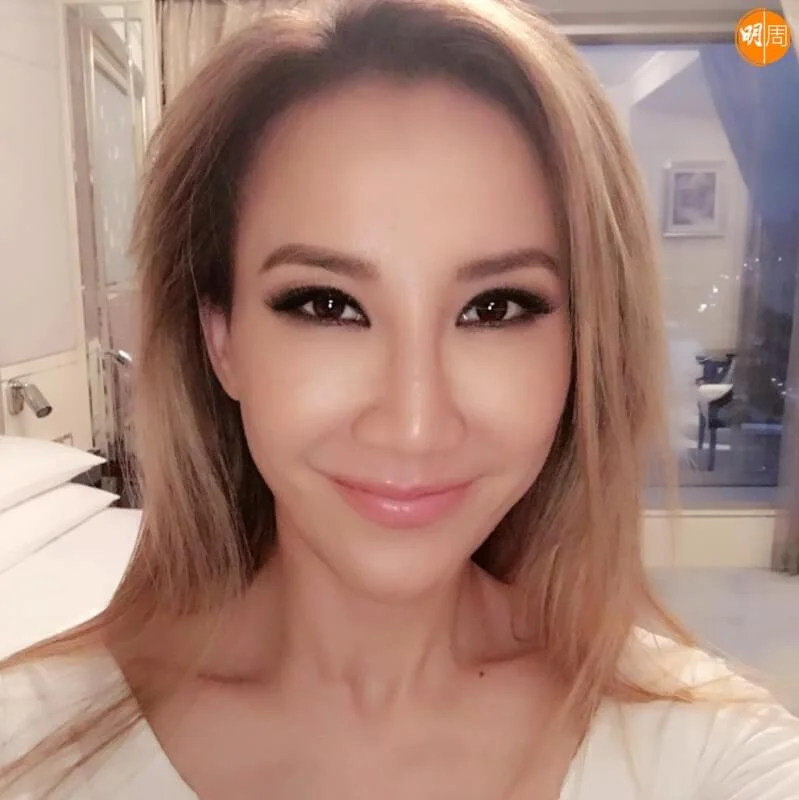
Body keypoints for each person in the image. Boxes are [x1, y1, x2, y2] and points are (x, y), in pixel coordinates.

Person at [2, 0, 799, 797]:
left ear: (582, 347)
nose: (414, 425)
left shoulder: (712, 751)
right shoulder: (28, 746)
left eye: (494, 308)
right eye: (326, 304)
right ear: (222, 340)